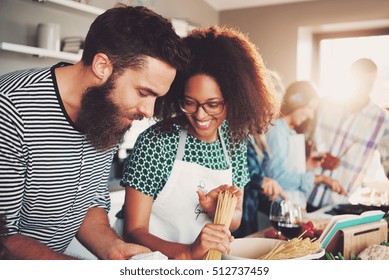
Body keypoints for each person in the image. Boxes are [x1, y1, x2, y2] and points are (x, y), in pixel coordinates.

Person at [0, 5, 188, 260]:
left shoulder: (106, 112)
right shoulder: (11, 108)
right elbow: (4, 240)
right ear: (102, 66)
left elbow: (88, 203)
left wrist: (112, 248)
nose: (148, 111)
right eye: (144, 92)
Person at [118, 26, 277, 259]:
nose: (200, 115)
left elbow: (236, 217)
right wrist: (187, 253)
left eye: (213, 104)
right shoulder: (157, 142)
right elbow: (133, 231)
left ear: (234, 99)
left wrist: (216, 211)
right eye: (190, 102)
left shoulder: (234, 141)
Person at [307, 58, 389, 210]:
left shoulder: (382, 120)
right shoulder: (325, 104)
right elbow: (301, 141)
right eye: (359, 82)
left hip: (338, 206)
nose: (362, 89)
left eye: (368, 84)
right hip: (302, 194)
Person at [263, 81, 347, 209]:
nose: (311, 115)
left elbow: (288, 169)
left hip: (291, 207)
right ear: (295, 101)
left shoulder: (289, 131)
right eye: (310, 108)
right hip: (276, 208)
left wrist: (306, 166)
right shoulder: (276, 129)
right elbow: (277, 177)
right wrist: (321, 178)